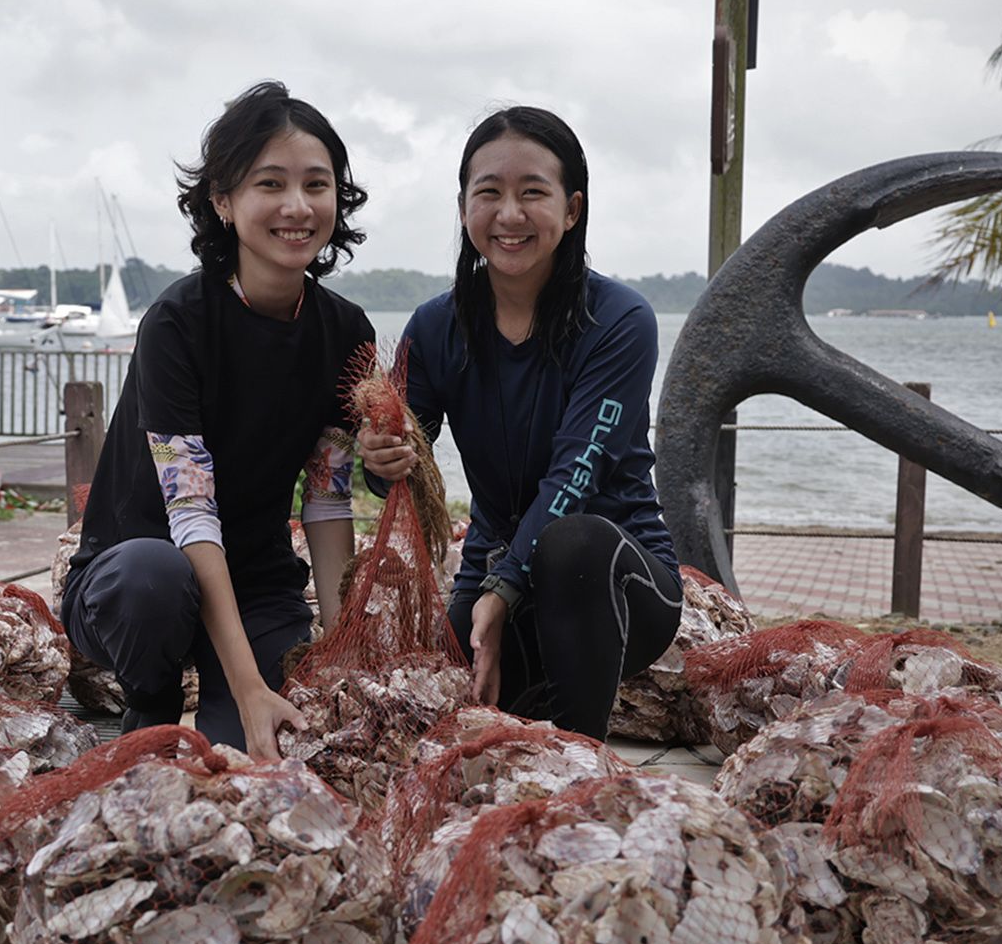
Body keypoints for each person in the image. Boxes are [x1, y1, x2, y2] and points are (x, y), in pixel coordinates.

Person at [62, 81, 376, 757]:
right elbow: (191, 514)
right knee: (155, 577)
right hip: (137, 578)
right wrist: (243, 683)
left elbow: (327, 501)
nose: (297, 206)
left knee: (265, 757)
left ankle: (237, 688)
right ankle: (149, 701)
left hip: (259, 584)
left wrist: (339, 654)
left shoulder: (347, 332)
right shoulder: (177, 324)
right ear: (224, 201)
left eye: (317, 184)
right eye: (271, 183)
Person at [358, 106, 682, 740]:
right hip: (495, 574)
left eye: (533, 192)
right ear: (463, 209)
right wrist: (377, 460)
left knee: (573, 545)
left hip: (616, 582)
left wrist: (502, 590)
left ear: (572, 209)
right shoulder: (433, 328)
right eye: (490, 193)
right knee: (465, 713)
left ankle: (580, 765)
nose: (509, 215)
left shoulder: (619, 321)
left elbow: (575, 477)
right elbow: (397, 472)